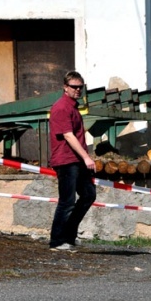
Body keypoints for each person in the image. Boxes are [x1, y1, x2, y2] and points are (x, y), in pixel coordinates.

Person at [48, 71, 96, 251]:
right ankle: (57, 241)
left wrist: (84, 159)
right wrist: (86, 157)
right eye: (74, 87)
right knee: (67, 201)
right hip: (66, 160)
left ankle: (69, 235)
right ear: (65, 87)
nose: (77, 90)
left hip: (77, 160)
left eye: (80, 87)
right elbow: (68, 135)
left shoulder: (73, 107)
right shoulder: (61, 107)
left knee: (89, 195)